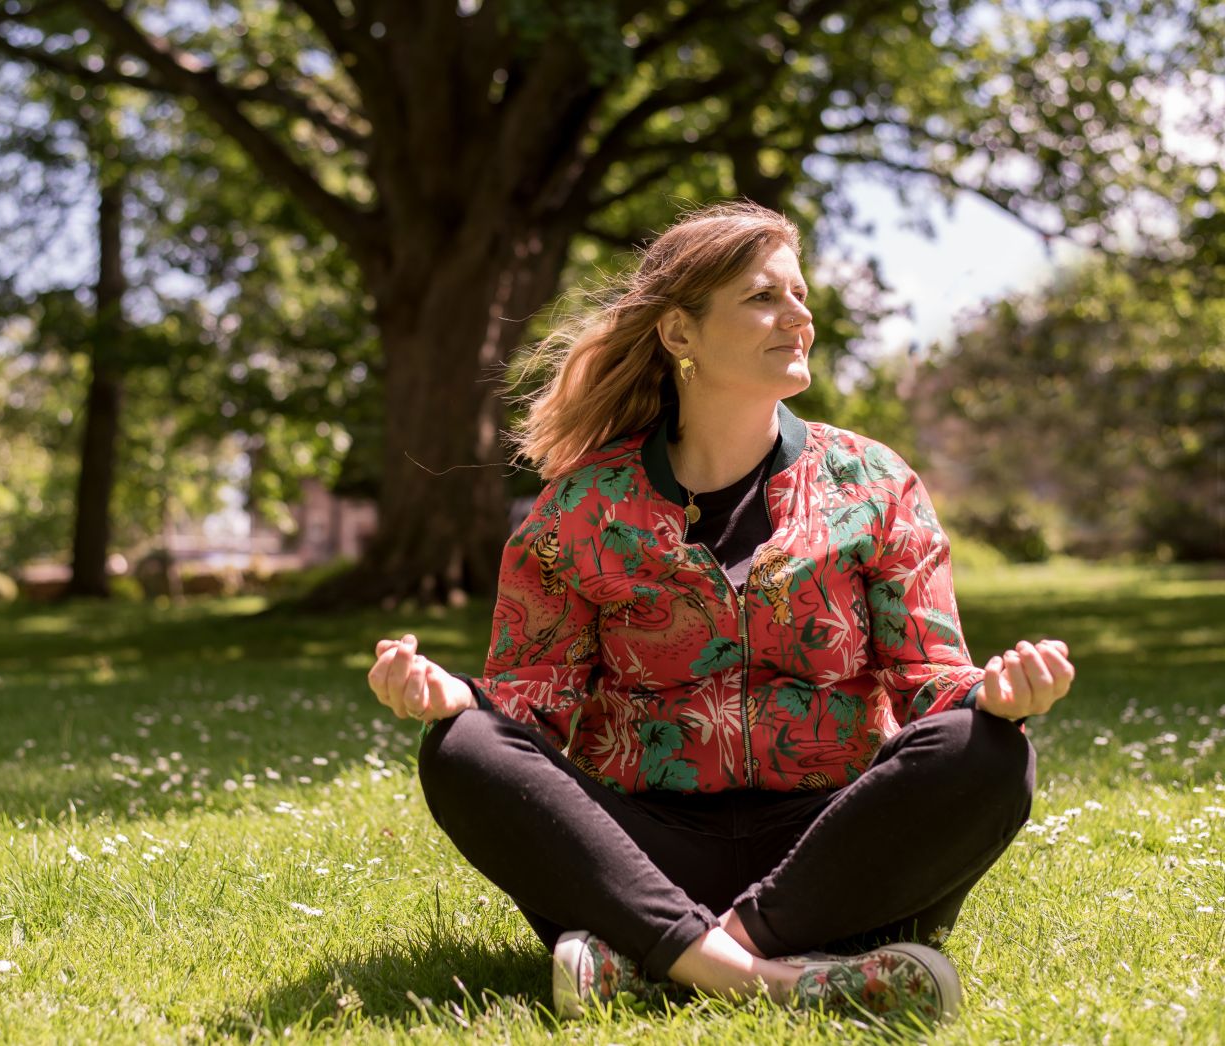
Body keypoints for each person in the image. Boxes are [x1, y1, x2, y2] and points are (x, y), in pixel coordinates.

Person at [365, 200, 1073, 1024]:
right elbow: (533, 705)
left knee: (989, 750)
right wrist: (454, 701)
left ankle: (664, 961)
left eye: (800, 294)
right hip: (642, 857)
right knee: (459, 748)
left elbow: (930, 682)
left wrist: (997, 695)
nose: (799, 315)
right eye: (763, 297)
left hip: (834, 852)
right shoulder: (582, 509)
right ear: (679, 335)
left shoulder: (873, 484)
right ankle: (769, 976)